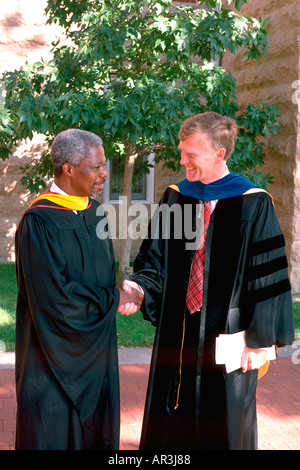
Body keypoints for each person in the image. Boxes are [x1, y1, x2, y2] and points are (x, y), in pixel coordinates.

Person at [127, 111, 295, 450]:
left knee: (226, 419)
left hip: (231, 335)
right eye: (181, 150)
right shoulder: (178, 196)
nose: (182, 159)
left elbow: (268, 274)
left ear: (219, 153)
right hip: (180, 328)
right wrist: (141, 287)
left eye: (191, 153)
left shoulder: (254, 202)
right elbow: (156, 256)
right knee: (172, 413)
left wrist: (260, 340)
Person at [14, 128, 143, 450]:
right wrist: (113, 299)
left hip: (96, 350)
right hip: (52, 355)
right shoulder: (39, 221)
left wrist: (118, 291)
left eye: (104, 164)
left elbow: (96, 279)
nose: (104, 173)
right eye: (96, 166)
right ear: (68, 169)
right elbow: (53, 299)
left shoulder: (96, 211)